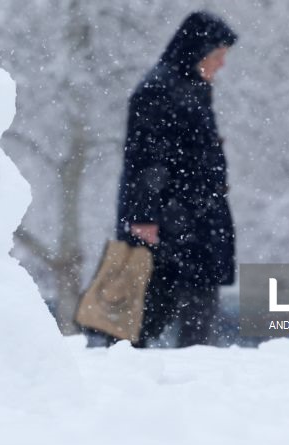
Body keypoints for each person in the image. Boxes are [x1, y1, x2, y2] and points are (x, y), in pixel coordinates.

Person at [116, 11, 238, 347]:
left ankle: (193, 375)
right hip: (170, 223)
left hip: (193, 222)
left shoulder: (191, 88)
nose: (221, 65)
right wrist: (144, 217)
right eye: (218, 56)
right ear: (197, 50)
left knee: (195, 307)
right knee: (144, 314)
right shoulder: (159, 90)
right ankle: (127, 378)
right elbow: (145, 160)